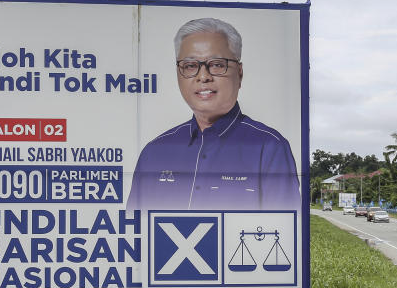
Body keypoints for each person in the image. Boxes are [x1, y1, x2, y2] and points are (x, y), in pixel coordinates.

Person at [127, 18, 300, 211]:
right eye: (190, 65)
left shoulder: (269, 148)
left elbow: (286, 234)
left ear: (240, 73)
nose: (203, 76)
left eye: (217, 64)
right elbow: (135, 236)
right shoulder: (154, 152)